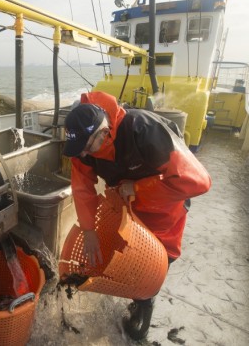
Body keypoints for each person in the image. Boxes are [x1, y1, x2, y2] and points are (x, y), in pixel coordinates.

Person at [63, 91, 211, 340]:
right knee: (128, 258)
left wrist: (139, 188)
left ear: (103, 132)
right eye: (80, 150)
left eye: (88, 147)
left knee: (158, 262)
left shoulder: (143, 129)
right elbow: (82, 189)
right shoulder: (83, 147)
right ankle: (138, 294)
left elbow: (198, 182)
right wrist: (88, 230)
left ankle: (145, 302)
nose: (85, 155)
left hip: (165, 206)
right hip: (128, 209)